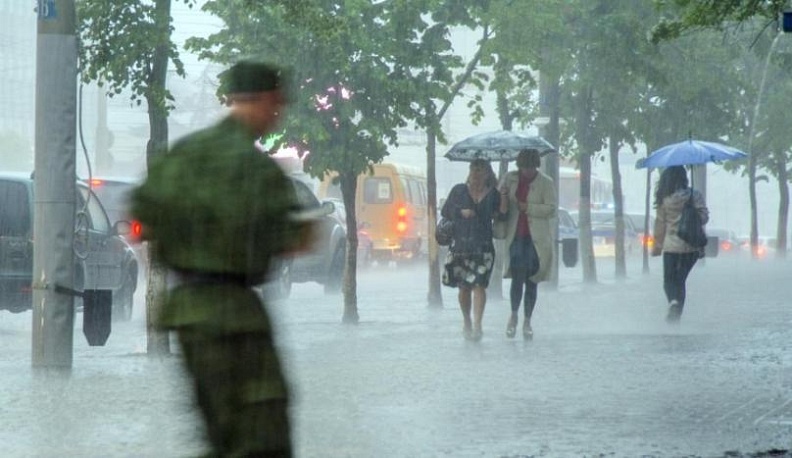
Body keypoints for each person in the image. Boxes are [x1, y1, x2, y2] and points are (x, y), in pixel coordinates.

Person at [131, 60, 314, 457]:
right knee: (262, 436)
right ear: (264, 100)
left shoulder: (184, 154)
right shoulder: (258, 170)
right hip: (237, 315)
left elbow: (141, 222)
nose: (278, 113)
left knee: (218, 431)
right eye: (277, 104)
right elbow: (291, 242)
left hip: (187, 315)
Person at [441, 159, 508, 341]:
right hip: (460, 246)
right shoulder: (459, 190)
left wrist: (503, 196)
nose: (476, 173)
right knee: (464, 287)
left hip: (483, 246)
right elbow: (446, 211)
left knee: (479, 284)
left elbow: (502, 215)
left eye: (480, 170)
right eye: (474, 169)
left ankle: (478, 324)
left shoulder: (493, 194)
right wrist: (461, 213)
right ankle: (467, 321)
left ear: (487, 173)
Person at [500, 149, 557, 340]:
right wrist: (503, 195)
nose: (527, 172)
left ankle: (527, 321)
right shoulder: (510, 179)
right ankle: (513, 315)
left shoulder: (546, 183)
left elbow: (551, 209)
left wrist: (529, 208)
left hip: (536, 240)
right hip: (516, 237)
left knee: (532, 281)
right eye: (524, 168)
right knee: (517, 278)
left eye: (531, 168)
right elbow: (500, 202)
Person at [650, 165, 709, 323]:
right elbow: (704, 217)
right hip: (691, 247)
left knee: (669, 280)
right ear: (684, 177)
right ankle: (676, 316)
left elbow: (660, 224)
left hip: (671, 247)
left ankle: (673, 302)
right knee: (681, 281)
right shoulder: (694, 195)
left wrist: (657, 246)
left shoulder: (665, 199)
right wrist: (692, 213)